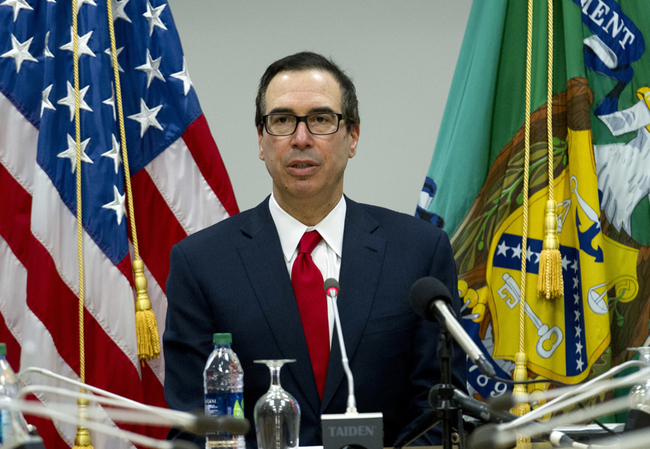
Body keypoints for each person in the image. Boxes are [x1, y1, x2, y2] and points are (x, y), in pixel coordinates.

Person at [163, 51, 466, 448]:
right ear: (261, 139)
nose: (301, 138)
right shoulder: (201, 264)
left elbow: (439, 417)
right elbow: (193, 428)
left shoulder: (419, 253)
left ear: (353, 136)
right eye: (282, 120)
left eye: (321, 120)